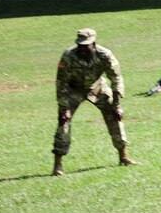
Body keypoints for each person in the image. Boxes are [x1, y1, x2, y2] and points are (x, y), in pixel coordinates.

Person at [52, 28, 137, 176]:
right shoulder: (68, 56)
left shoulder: (105, 55)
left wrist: (117, 104)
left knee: (115, 116)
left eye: (86, 45)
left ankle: (124, 156)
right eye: (80, 45)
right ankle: (58, 165)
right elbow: (61, 82)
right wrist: (63, 108)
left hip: (97, 87)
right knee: (63, 122)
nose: (83, 48)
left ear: (94, 43)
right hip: (73, 89)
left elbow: (116, 78)